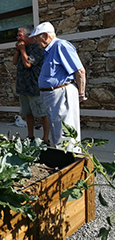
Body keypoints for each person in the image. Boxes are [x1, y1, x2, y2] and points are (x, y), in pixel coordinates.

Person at [29, 22, 87, 153]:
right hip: (53, 95)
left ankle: (70, 159)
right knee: (57, 129)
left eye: (36, 38)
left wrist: (81, 94)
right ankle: (61, 158)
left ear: (45, 36)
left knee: (64, 129)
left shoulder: (61, 46)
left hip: (62, 93)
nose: (35, 41)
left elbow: (80, 71)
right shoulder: (48, 50)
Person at [12, 25, 50, 144]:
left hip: (35, 88)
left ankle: (45, 138)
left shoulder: (37, 48)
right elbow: (14, 62)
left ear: (28, 36)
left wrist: (23, 50)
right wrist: (18, 51)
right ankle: (30, 136)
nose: (18, 38)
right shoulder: (21, 48)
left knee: (42, 114)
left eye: (20, 35)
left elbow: (28, 64)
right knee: (28, 113)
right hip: (24, 87)